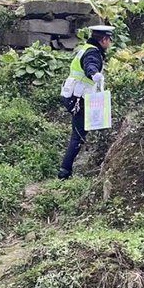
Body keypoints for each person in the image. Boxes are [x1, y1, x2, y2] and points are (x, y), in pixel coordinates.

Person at [57, 25, 114, 180]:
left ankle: (69, 168)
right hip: (78, 98)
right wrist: (94, 74)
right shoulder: (92, 53)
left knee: (81, 131)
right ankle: (64, 172)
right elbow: (90, 64)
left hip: (72, 95)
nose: (110, 44)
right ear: (103, 40)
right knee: (78, 135)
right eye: (109, 40)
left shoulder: (86, 48)